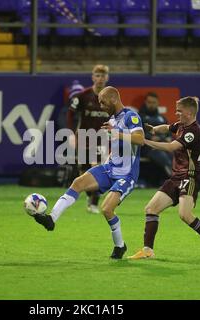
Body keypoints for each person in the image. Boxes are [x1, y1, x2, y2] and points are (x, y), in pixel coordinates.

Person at [33, 86, 145, 259]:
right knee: (78, 183)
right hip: (110, 168)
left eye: (103, 101)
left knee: (107, 209)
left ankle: (120, 245)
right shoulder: (113, 119)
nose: (101, 106)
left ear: (114, 99)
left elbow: (140, 139)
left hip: (126, 174)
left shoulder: (131, 116)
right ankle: (51, 218)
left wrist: (118, 133)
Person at [128, 97, 200, 261]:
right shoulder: (181, 125)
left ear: (189, 112)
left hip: (190, 176)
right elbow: (167, 127)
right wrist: (154, 129)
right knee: (151, 209)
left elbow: (170, 147)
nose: (176, 113)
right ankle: (147, 251)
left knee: (185, 215)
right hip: (176, 177)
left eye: (179, 111)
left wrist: (145, 141)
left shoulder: (194, 131)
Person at [67, 65, 110, 214]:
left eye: (103, 76)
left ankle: (93, 203)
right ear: (93, 77)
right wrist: (72, 133)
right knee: (83, 172)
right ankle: (90, 195)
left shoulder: (111, 97)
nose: (100, 79)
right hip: (85, 137)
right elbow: (71, 114)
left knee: (97, 169)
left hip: (103, 139)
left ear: (107, 78)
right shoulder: (83, 96)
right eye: (97, 75)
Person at [139, 92, 173, 182]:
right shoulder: (139, 117)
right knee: (161, 155)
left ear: (157, 103)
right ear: (145, 102)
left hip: (163, 145)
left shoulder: (162, 118)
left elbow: (169, 134)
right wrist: (150, 137)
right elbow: (137, 133)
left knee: (174, 153)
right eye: (149, 102)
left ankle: (180, 177)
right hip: (147, 147)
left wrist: (164, 138)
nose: (151, 105)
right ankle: (173, 177)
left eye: (154, 102)